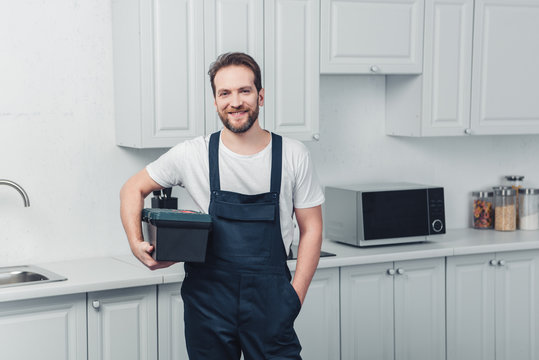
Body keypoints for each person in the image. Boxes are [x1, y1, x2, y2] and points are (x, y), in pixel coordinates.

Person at [120, 52, 324, 359]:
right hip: (209, 304)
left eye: (245, 90)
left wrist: (294, 298)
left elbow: (312, 229)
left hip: (271, 303)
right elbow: (131, 188)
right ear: (215, 101)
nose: (236, 101)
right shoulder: (192, 154)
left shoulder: (294, 155)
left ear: (261, 95)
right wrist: (136, 243)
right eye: (224, 93)